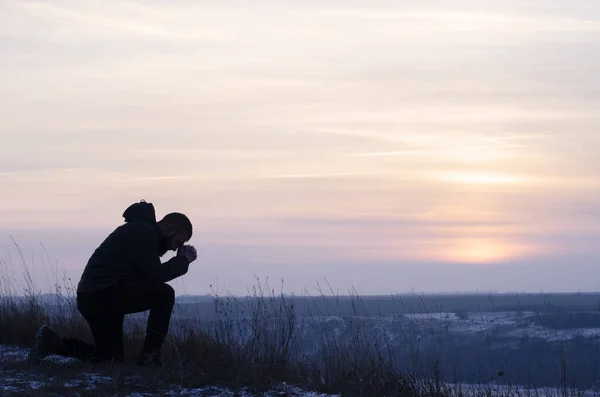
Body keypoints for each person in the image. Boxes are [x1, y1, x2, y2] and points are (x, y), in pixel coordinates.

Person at [27, 199, 198, 366]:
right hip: (104, 295)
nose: (175, 248)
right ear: (171, 228)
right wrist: (182, 261)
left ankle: (52, 342)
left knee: (110, 358)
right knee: (165, 294)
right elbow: (154, 275)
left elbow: (146, 272)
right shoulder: (143, 233)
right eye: (177, 242)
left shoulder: (140, 231)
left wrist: (179, 260)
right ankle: (150, 357)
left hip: (94, 296)